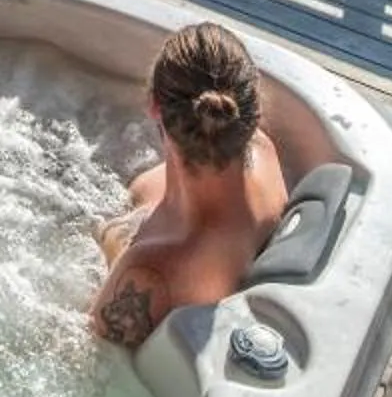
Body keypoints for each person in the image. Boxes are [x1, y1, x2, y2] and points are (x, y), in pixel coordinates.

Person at [91, 23, 298, 347]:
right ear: (253, 112)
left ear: (154, 106)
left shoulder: (151, 273)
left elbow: (87, 359)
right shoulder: (263, 151)